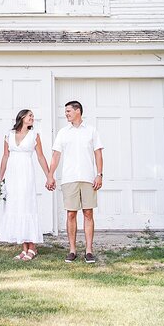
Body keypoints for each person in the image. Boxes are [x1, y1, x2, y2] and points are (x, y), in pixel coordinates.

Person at [47, 100, 104, 263]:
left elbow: (98, 153)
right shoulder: (63, 132)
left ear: (78, 111)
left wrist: (99, 174)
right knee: (71, 214)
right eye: (65, 111)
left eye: (68, 111)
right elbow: (56, 155)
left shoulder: (91, 131)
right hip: (69, 178)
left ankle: (89, 251)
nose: (66, 114)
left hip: (88, 178)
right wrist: (50, 175)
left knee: (88, 213)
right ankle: (72, 250)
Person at [0, 109, 51, 260]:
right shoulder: (9, 135)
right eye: (30, 116)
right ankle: (24, 247)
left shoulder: (35, 135)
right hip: (13, 175)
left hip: (26, 173)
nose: (33, 118)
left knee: (27, 206)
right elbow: (5, 156)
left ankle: (32, 247)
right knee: (16, 206)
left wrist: (49, 176)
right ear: (22, 117)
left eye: (33, 116)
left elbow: (40, 157)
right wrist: (0, 178)